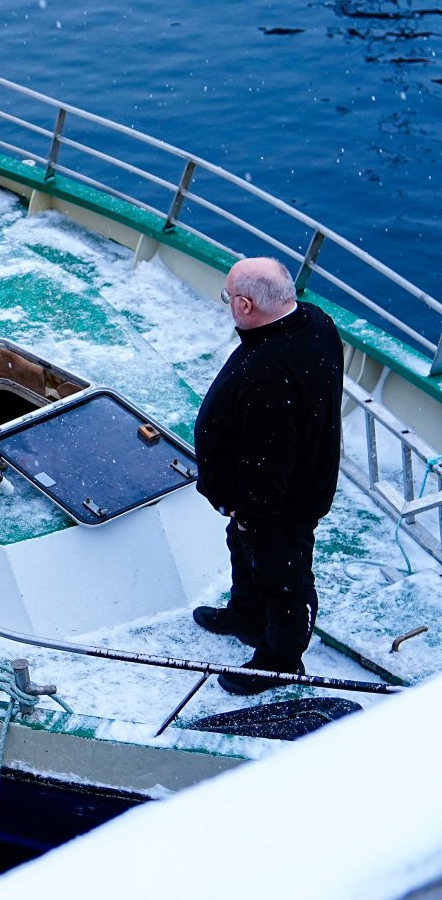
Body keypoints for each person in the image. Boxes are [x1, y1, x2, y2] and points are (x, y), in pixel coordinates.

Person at [192, 258, 343, 695]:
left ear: (244, 304)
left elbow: (268, 457)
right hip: (284, 488)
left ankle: (280, 660)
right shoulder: (315, 322)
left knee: (284, 575)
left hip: (277, 505)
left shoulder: (268, 372)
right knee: (244, 550)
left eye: (228, 298)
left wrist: (252, 514)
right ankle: (246, 615)